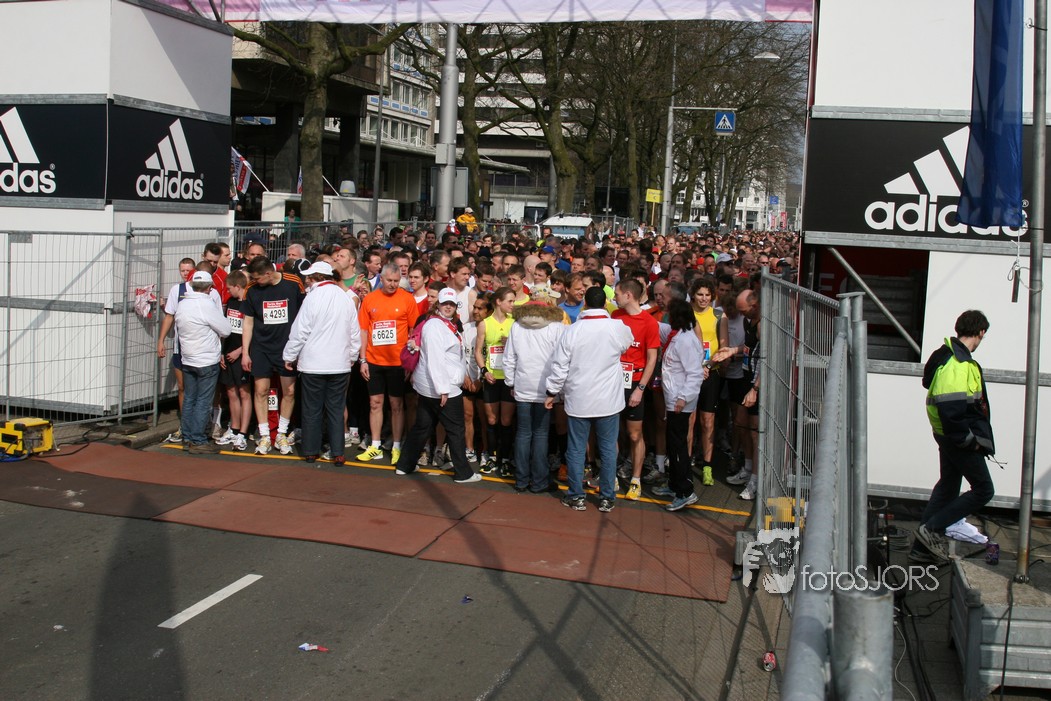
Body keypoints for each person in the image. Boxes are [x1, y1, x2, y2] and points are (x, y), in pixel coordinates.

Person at [913, 310, 996, 564]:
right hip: (958, 439)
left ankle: (921, 550)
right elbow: (951, 410)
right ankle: (932, 528)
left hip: (946, 436)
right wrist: (969, 441)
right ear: (980, 332)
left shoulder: (946, 354)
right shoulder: (958, 364)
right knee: (984, 490)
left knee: (948, 487)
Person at [544, 286, 633, 513]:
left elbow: (560, 366)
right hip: (608, 400)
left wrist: (552, 392)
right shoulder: (617, 327)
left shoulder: (573, 330)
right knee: (608, 449)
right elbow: (627, 343)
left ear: (585, 303)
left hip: (580, 399)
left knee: (576, 449)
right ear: (605, 304)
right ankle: (607, 497)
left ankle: (576, 495)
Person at [394, 288, 480, 483]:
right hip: (443, 387)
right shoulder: (434, 326)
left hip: (435, 386)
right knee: (456, 430)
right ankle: (463, 473)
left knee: (423, 427)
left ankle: (405, 465)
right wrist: (443, 389)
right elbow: (435, 359)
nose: (448, 307)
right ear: (438, 305)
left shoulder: (447, 324)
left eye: (452, 304)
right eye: (444, 303)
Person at [282, 261, 362, 465]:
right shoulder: (344, 298)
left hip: (314, 364)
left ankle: (311, 450)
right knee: (336, 409)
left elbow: (300, 330)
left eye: (309, 277)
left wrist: (289, 355)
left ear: (316, 277)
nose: (307, 280)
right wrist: (351, 357)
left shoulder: (312, 297)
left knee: (312, 409)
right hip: (339, 364)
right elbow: (354, 332)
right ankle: (338, 451)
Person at [241, 256, 306, 455]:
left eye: (258, 278)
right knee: (261, 391)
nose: (255, 281)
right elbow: (248, 322)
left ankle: (281, 433)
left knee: (289, 391)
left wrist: (300, 347)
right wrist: (245, 352)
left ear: (269, 273)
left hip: (287, 348)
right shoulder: (251, 289)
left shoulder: (293, 283)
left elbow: (304, 314)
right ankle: (264, 435)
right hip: (261, 348)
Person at [357, 264, 420, 464]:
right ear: (381, 279)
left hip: (397, 362)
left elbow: (414, 331)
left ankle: (397, 446)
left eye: (396, 281)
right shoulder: (370, 299)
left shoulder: (407, 299)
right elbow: (363, 331)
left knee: (396, 404)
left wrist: (410, 362)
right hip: (374, 360)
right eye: (389, 280)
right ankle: (375, 445)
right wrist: (362, 360)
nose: (393, 284)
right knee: (375, 403)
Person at [503, 295, 566, 493]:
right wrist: (557, 388)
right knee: (540, 434)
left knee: (523, 433)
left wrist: (511, 382)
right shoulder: (556, 327)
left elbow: (509, 357)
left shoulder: (517, 326)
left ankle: (521, 480)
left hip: (523, 385)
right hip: (546, 389)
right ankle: (539, 481)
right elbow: (561, 359)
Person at [650, 298, 704, 511]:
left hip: (680, 402)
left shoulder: (686, 341)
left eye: (670, 314)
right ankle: (675, 484)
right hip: (674, 399)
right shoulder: (677, 335)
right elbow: (658, 327)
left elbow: (695, 373)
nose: (667, 317)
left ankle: (685, 491)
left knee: (678, 446)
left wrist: (683, 398)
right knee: (674, 445)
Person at [611, 279, 660, 501]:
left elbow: (652, 358)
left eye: (617, 294)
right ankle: (610, 475)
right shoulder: (615, 316)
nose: (614, 298)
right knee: (611, 431)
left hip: (635, 382)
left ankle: (636, 479)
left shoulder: (649, 322)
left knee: (634, 434)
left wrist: (640, 388)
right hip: (613, 381)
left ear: (628, 295)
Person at [174, 271, 231, 454]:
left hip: (188, 357)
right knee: (203, 401)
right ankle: (198, 440)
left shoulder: (183, 304)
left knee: (190, 398)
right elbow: (226, 330)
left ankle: (188, 436)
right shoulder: (206, 304)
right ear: (209, 287)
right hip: (206, 359)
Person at [474, 286, 517, 475]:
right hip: (491, 377)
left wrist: (511, 344)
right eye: (510, 301)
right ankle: (491, 457)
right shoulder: (485, 323)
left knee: (506, 421)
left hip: (508, 378)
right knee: (491, 420)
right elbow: (478, 351)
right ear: (498, 302)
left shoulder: (514, 323)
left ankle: (505, 459)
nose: (513, 305)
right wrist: (484, 371)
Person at [215, 270, 252, 451]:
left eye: (230, 288)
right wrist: (222, 352)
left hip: (242, 354)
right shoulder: (230, 302)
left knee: (244, 393)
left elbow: (253, 331)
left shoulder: (249, 302)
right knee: (231, 392)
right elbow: (226, 329)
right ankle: (234, 428)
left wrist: (241, 351)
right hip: (228, 352)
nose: (228, 292)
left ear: (238, 286)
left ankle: (243, 433)